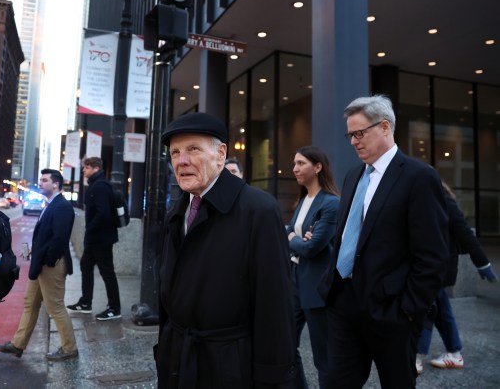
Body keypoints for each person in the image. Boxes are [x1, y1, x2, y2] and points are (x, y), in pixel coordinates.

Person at [155, 112, 297, 388]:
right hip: (178, 361)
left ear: (221, 154)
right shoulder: (179, 208)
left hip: (230, 368)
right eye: (175, 152)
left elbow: (275, 306)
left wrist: (273, 378)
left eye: (193, 149)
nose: (181, 161)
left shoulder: (259, 210)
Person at [317, 95, 449, 388]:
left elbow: (434, 254)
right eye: (350, 135)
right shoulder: (353, 176)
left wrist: (408, 311)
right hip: (343, 302)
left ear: (385, 127)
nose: (353, 142)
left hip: (391, 312)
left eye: (360, 133)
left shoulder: (419, 177)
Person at [0, 169, 78, 361]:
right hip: (41, 264)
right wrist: (34, 249)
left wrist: (47, 260)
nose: (40, 183)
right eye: (40, 179)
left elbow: (59, 239)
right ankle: (17, 344)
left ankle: (70, 348)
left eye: (44, 180)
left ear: (56, 184)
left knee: (55, 307)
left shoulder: (62, 206)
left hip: (51, 266)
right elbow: (47, 236)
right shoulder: (50, 205)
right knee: (30, 304)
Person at [416, 181, 499, 374]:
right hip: (430, 266)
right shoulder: (423, 201)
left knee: (427, 309)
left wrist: (483, 264)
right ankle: (454, 353)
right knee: (442, 310)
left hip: (438, 268)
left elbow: (464, 233)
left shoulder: (444, 201)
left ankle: (416, 358)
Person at [286, 146, 339, 389]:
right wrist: (296, 239)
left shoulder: (330, 204)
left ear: (317, 167)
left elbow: (312, 248)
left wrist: (293, 240)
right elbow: (287, 233)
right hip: (296, 281)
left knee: (323, 357)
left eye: (301, 163)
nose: (294, 168)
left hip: (317, 288)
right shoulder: (304, 200)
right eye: (294, 163)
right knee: (285, 343)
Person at [67, 156, 121, 320]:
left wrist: (90, 228)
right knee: (86, 266)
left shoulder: (100, 187)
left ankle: (114, 308)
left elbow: (103, 213)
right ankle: (85, 303)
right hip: (95, 238)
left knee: (107, 272)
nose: (84, 170)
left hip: (101, 238)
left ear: (96, 168)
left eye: (87, 167)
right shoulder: (96, 185)